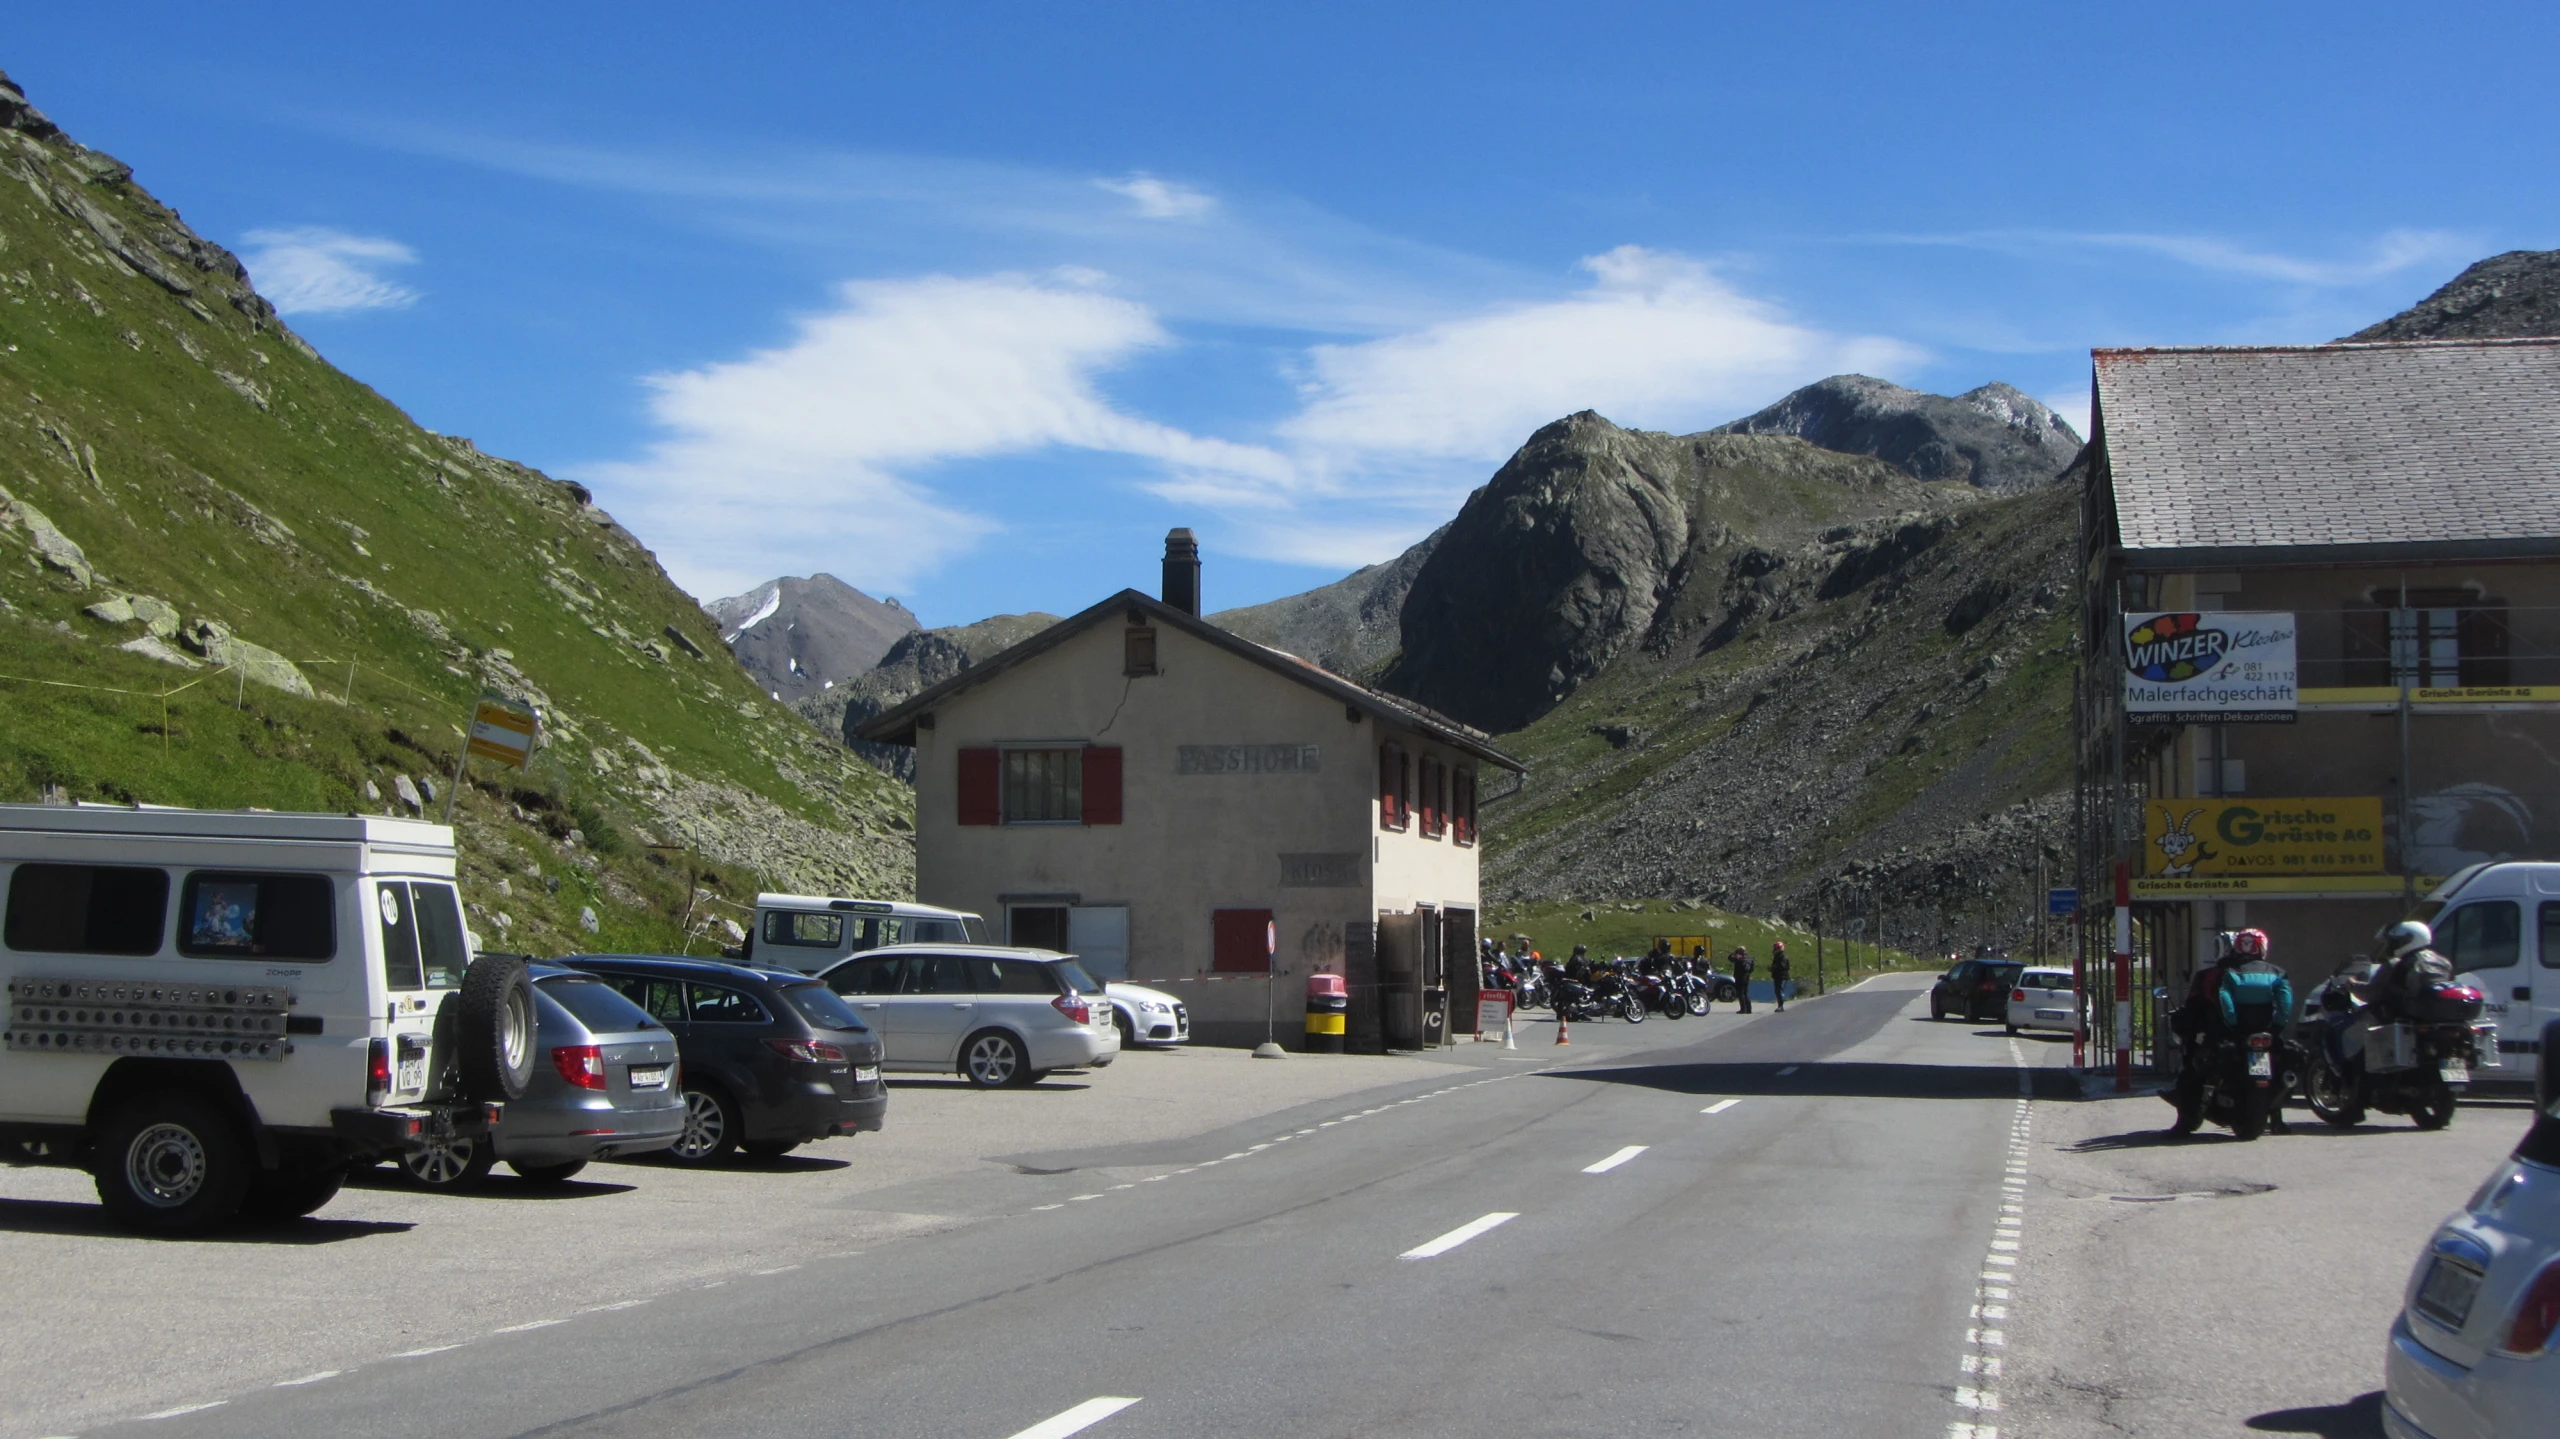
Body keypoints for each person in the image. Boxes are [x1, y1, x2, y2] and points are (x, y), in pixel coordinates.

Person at [2216, 928, 2295, 1134]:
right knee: (2281, 1065)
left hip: (2240, 1030)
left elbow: (2225, 1001)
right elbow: (2285, 1003)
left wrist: (2233, 1023)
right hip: (2268, 1028)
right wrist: (2277, 1026)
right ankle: (2277, 1118)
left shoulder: (2231, 973)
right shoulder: (2277, 972)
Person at [1730, 946, 1755, 1014]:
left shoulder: (1739, 959)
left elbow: (1730, 958)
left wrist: (1735, 952)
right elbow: (1752, 969)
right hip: (1747, 977)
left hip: (1739, 977)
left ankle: (1743, 1009)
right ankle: (1749, 1009)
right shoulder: (1750, 959)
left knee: (1741, 993)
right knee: (1745, 993)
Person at [1768, 941, 1791, 1011]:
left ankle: (1781, 1006)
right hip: (1778, 976)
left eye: (1775, 948)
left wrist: (1773, 968)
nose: (1773, 950)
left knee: (1779, 990)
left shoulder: (1782, 957)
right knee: (1777, 990)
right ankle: (1780, 1005)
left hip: (1781, 976)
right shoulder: (1778, 956)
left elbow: (1782, 966)